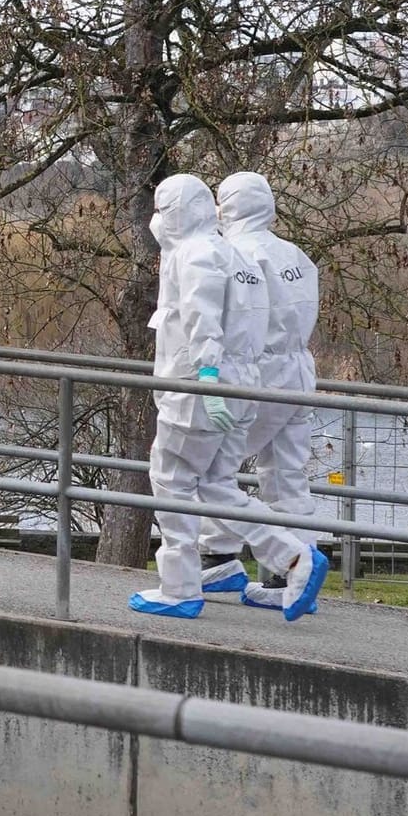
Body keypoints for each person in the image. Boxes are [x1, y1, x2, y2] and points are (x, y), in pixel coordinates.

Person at [130, 174, 328, 621]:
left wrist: (208, 376)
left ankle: (183, 584)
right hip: (269, 375)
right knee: (249, 480)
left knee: (175, 482)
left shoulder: (210, 254)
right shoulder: (266, 255)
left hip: (208, 384)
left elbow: (202, 321)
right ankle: (292, 558)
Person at [195, 172, 323, 610]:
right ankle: (293, 575)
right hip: (299, 372)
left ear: (226, 206)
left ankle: (219, 558)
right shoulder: (296, 255)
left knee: (213, 468)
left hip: (255, 371)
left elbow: (230, 321)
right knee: (287, 475)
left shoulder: (231, 254)